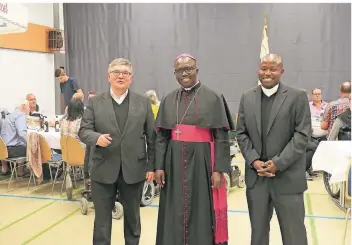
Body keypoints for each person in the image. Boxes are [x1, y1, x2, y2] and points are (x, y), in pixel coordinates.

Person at [154, 53, 234, 245]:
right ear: (175, 74)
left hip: (202, 163)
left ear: (197, 70)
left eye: (188, 69)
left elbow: (222, 137)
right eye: (179, 71)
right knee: (174, 209)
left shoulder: (213, 97)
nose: (184, 74)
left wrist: (219, 170)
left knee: (201, 209)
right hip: (173, 163)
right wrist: (159, 166)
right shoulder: (168, 99)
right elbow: (161, 137)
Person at [236, 53, 311, 245]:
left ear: (282, 71)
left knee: (294, 236)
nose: (267, 73)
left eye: (273, 69)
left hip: (288, 180)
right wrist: (254, 161)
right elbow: (242, 134)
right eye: (264, 68)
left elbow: (302, 136)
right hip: (257, 181)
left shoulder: (298, 96)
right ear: (258, 70)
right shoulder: (246, 97)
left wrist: (278, 163)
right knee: (258, 235)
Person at [78, 58, 155, 245]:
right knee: (102, 222)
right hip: (102, 170)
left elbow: (152, 138)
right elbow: (83, 131)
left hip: (134, 170)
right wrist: (96, 138)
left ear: (131, 78)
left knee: (133, 220)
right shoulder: (95, 103)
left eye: (125, 73)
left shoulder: (143, 103)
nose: (121, 76)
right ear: (108, 76)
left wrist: (152, 166)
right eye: (116, 72)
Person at [0, 101, 30, 176]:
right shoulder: (20, 114)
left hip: (3, 149)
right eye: (28, 107)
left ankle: (4, 169)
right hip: (12, 150)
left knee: (20, 143)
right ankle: (21, 171)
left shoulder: (9, 116)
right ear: (23, 107)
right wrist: (30, 143)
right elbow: (22, 133)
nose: (29, 109)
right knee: (32, 147)